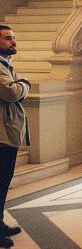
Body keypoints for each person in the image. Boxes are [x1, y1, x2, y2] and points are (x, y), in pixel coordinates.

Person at [0, 25, 30, 249]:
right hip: (1, 136)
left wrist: (20, 84)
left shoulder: (6, 65)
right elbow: (12, 92)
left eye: (14, 38)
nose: (13, 42)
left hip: (6, 134)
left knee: (3, 182)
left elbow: (15, 85)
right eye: (8, 38)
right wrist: (24, 84)